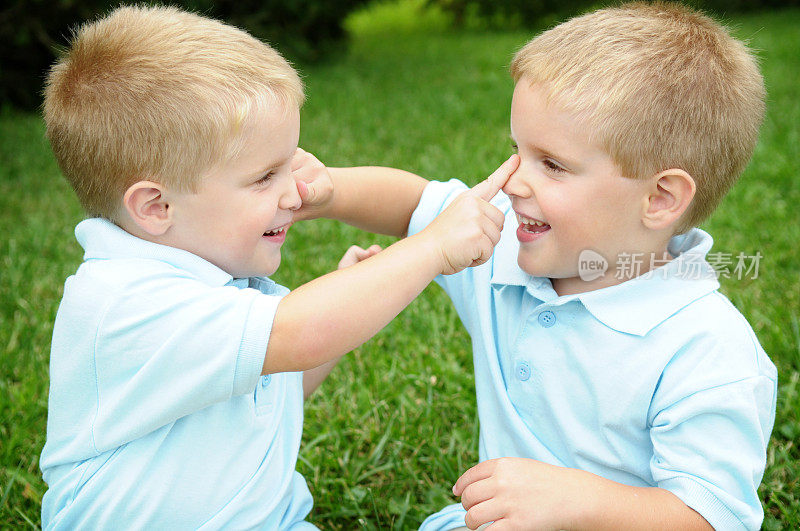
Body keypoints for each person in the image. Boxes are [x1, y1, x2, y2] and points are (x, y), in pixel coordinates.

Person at [38, 6, 517, 528]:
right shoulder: (126, 301)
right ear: (157, 207)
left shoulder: (226, 284)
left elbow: (269, 382)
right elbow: (298, 334)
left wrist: (344, 294)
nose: (294, 192)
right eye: (265, 177)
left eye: (289, 165)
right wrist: (430, 247)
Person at [307, 3, 777, 529]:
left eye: (552, 165)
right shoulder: (502, 247)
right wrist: (326, 190)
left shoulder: (707, 349)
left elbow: (713, 517)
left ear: (661, 198)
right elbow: (417, 204)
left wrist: (577, 501)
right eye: (518, 153)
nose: (513, 182)